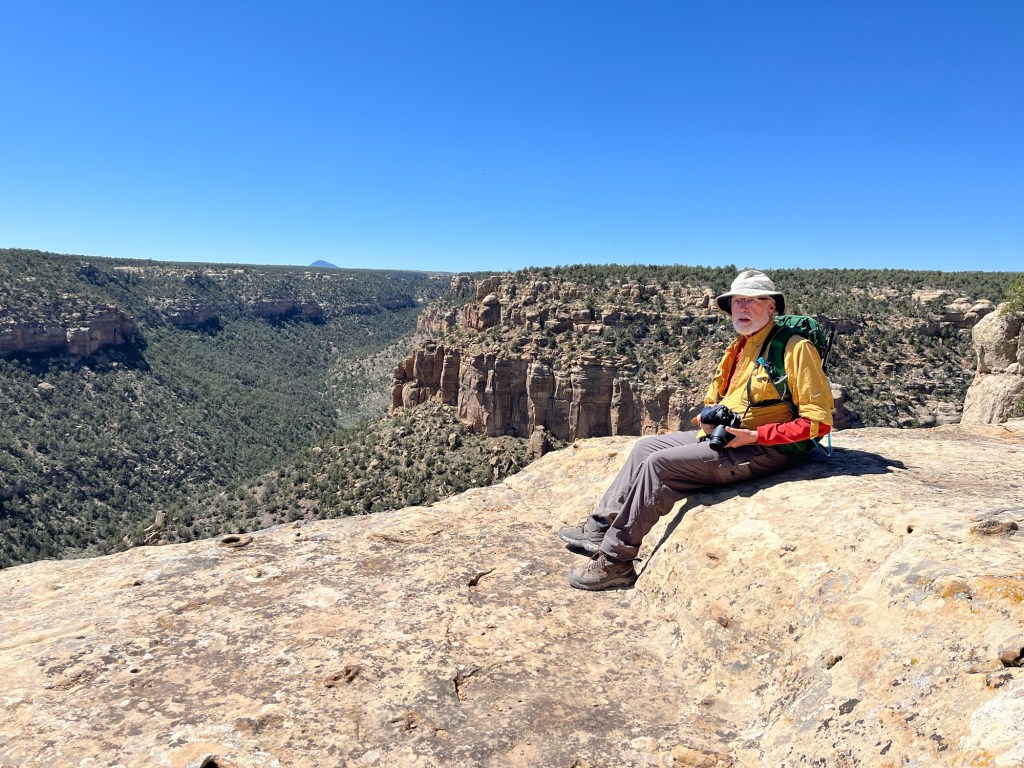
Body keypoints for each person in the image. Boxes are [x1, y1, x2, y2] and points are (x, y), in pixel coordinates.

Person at [560, 269, 834, 590]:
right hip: (726, 438)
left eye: (752, 301)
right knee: (645, 448)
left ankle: (616, 561)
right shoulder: (740, 347)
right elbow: (720, 399)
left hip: (764, 449)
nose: (742, 308)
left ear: (771, 306)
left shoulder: (795, 349)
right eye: (736, 301)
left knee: (659, 466)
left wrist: (754, 436)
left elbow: (819, 421)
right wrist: (707, 419)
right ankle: (599, 527)